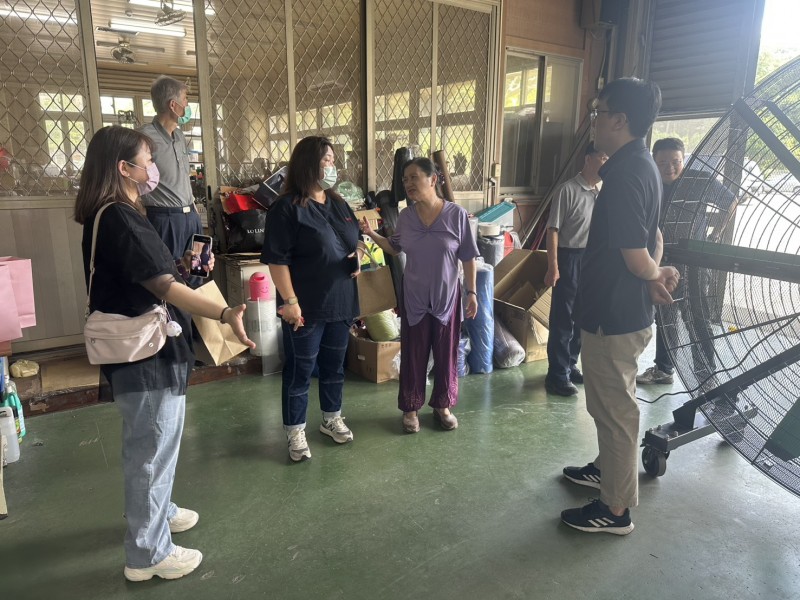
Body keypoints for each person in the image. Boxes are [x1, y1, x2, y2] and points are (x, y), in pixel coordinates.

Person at [73, 126, 254, 581]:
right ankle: (147, 554)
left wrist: (183, 266)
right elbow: (163, 287)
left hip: (141, 349)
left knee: (152, 442)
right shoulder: (119, 216)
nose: (153, 168)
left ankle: (158, 512)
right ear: (124, 168)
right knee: (150, 448)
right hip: (144, 354)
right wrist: (224, 311)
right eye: (147, 160)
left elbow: (151, 272)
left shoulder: (112, 213)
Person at [560, 78, 680, 535]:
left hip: (613, 316)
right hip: (619, 310)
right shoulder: (639, 166)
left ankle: (614, 510)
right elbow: (654, 237)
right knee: (608, 407)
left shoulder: (628, 173)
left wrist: (653, 273)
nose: (594, 120)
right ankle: (604, 472)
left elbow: (636, 254)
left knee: (615, 414)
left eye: (599, 112)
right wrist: (654, 274)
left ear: (620, 120)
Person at [262, 136, 364, 462]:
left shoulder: (339, 203)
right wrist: (290, 301)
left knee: (334, 366)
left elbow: (357, 239)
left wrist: (359, 254)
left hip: (341, 301)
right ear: (308, 164)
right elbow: (277, 260)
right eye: (326, 160)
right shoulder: (286, 208)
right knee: (300, 369)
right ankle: (295, 430)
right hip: (305, 306)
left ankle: (331, 418)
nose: (332, 166)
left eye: (333, 160)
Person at [360, 158, 479, 434]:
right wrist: (372, 234)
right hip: (414, 298)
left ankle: (442, 406)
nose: (408, 184)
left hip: (446, 297)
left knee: (446, 353)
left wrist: (472, 292)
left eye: (414, 177)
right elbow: (395, 247)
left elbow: (468, 256)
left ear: (433, 179)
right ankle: (411, 408)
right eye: (405, 179)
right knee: (414, 354)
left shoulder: (456, 215)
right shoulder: (406, 217)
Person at [636, 137, 733, 385]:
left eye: (675, 161)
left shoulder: (700, 181)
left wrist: (715, 234)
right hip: (662, 260)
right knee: (665, 317)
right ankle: (664, 369)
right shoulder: (650, 182)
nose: (669, 167)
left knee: (697, 318)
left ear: (684, 159)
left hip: (693, 264)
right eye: (662, 162)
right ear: (654, 162)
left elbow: (730, 201)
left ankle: (706, 375)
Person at [543, 142, 608, 397]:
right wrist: (553, 266)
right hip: (569, 257)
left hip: (592, 259)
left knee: (583, 317)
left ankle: (570, 365)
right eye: (603, 158)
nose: (606, 163)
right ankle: (557, 375)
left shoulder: (603, 192)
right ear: (588, 159)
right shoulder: (567, 190)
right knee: (564, 318)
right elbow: (553, 230)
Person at [138, 76, 204, 279]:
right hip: (165, 219)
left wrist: (194, 210)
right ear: (173, 105)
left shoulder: (180, 136)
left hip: (190, 216)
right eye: (185, 99)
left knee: (197, 273)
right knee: (170, 277)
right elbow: (132, 178)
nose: (187, 105)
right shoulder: (144, 137)